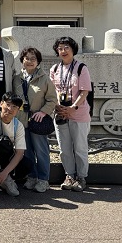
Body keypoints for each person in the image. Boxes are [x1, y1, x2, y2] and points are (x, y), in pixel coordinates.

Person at [50, 36, 92, 192]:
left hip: (78, 113)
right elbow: (53, 91)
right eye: (60, 48)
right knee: (64, 148)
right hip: (61, 113)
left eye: (66, 47)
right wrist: (58, 106)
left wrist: (73, 107)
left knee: (80, 148)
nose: (63, 51)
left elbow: (84, 91)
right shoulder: (55, 69)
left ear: (73, 49)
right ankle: (69, 176)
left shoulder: (81, 68)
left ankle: (81, 177)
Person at [13, 46, 57, 193]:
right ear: (22, 60)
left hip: (37, 120)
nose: (30, 61)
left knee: (41, 150)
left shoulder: (44, 79)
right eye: (27, 58)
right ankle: (32, 177)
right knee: (27, 151)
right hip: (21, 120)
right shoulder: (16, 78)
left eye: (34, 59)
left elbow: (52, 100)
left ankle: (44, 179)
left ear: (38, 61)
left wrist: (43, 112)